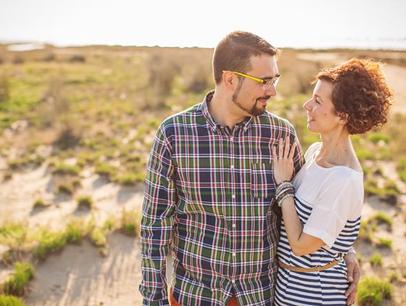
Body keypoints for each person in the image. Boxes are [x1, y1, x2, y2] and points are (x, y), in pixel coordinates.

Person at [140, 31, 360, 306]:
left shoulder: (281, 135)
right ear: (230, 79)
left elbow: (308, 209)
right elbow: (155, 226)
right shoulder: (174, 134)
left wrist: (344, 250)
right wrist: (154, 300)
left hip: (261, 297)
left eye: (275, 79)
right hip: (195, 296)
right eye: (264, 81)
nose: (273, 90)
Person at [273, 58, 392, 305]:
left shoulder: (344, 178)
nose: (307, 105)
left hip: (317, 294)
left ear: (342, 116)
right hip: (289, 289)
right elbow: (329, 227)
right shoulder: (314, 152)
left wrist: (284, 186)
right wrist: (346, 250)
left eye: (318, 101)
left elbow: (301, 246)